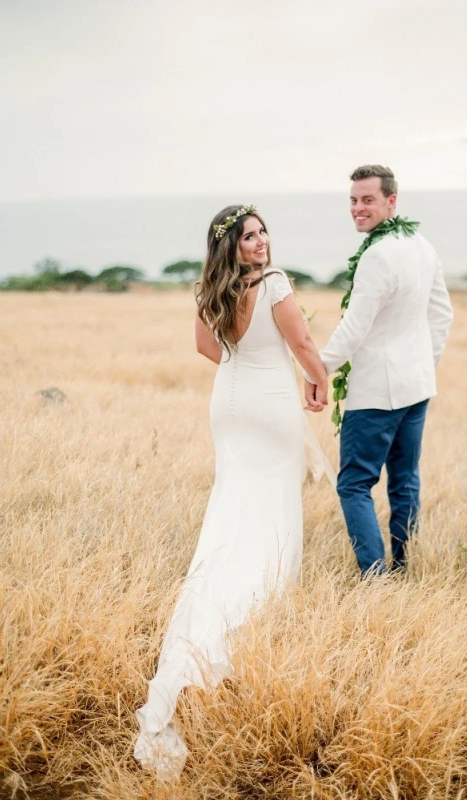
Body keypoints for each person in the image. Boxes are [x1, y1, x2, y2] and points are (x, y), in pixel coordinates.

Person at [135, 204, 328, 778]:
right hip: (269, 405)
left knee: (233, 506)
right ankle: (252, 610)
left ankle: (212, 603)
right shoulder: (274, 285)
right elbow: (304, 341)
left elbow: (205, 348)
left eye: (264, 232)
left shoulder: (211, 286)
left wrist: (242, 362)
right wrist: (316, 383)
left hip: (229, 402)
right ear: (233, 244)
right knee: (271, 511)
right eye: (250, 235)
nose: (261, 241)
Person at [305, 165, 453, 576]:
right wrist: (425, 362)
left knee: (354, 484)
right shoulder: (421, 244)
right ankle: (405, 566)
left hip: (376, 392)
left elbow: (354, 326)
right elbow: (442, 314)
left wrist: (318, 371)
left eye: (367, 199)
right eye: (353, 200)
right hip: (418, 386)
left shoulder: (377, 255)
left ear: (392, 201)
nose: (357, 208)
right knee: (404, 479)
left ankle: (375, 578)